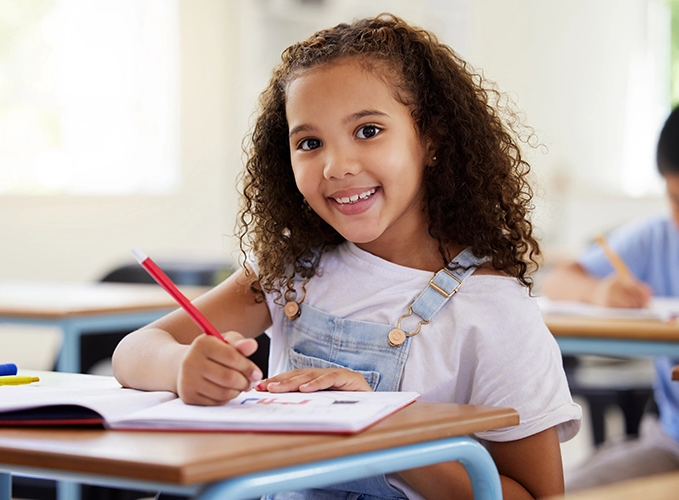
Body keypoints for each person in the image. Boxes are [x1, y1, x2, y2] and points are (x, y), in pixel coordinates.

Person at [113, 14, 581, 500]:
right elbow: (135, 350)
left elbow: (537, 494)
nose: (337, 167)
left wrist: (382, 425)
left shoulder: (494, 310)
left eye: (368, 130)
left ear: (431, 139)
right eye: (310, 143)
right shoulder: (292, 272)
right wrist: (182, 368)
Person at [541, 105, 679, 491]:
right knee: (565, 491)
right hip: (670, 446)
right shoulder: (657, 236)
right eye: (675, 200)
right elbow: (559, 281)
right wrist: (598, 291)